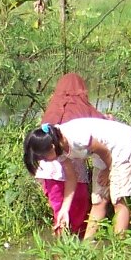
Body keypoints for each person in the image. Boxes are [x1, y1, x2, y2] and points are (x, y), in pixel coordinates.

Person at [22, 112, 131, 241]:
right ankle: (87, 246)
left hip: (120, 146)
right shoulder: (59, 150)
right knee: (98, 200)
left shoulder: (76, 137)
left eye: (43, 157)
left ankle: (120, 246)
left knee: (117, 199)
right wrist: (64, 210)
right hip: (103, 156)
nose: (44, 160)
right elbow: (71, 178)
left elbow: (103, 150)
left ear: (51, 147)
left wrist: (108, 170)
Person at [30, 74, 99, 237]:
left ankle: (64, 250)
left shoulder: (53, 107)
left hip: (50, 172)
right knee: (78, 210)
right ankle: (69, 249)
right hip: (69, 170)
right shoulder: (81, 106)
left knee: (62, 209)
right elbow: (100, 125)